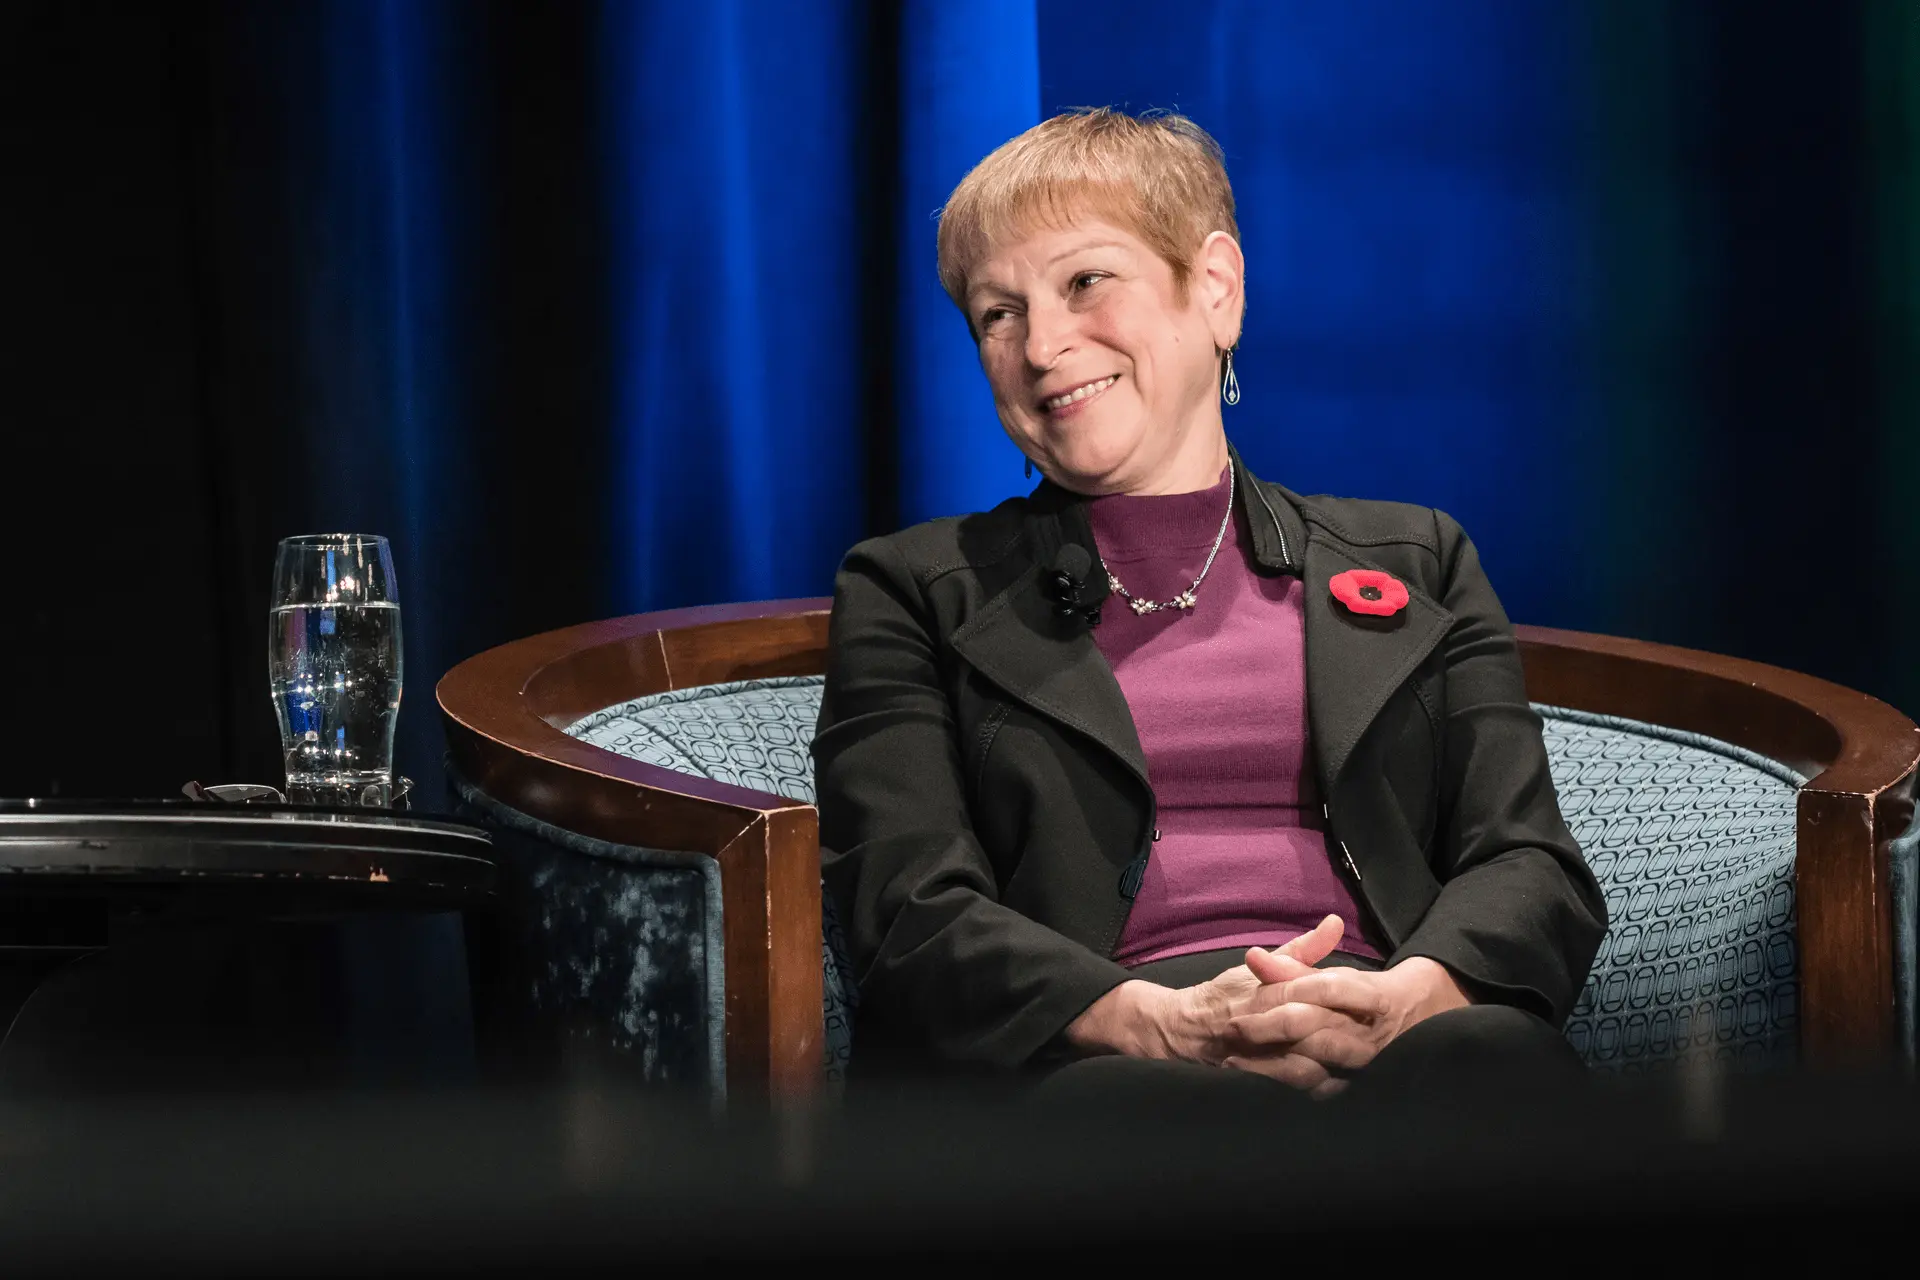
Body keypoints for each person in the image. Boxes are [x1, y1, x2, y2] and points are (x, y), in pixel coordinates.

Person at [811, 108, 1607, 1100]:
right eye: (997, 315)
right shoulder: (911, 589)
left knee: (1494, 1063)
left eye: (1085, 282)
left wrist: (1408, 1000)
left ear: (1216, 288)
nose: (1042, 345)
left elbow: (1529, 863)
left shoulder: (1418, 561)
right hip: (1093, 1066)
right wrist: (1162, 1023)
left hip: (1395, 1045)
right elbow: (906, 907)